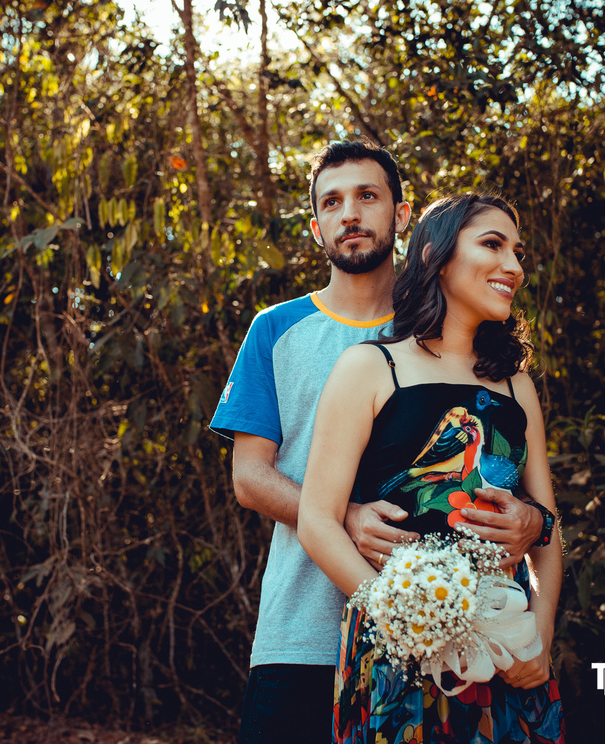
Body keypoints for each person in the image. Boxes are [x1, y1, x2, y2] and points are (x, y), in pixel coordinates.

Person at [210, 143, 548, 744]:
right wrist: (345, 513)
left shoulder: (447, 328)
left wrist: (535, 523)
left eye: (368, 196)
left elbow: (515, 484)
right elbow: (249, 478)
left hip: (464, 641)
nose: (350, 214)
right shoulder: (276, 329)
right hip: (304, 630)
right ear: (316, 227)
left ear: (402, 215)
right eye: (332, 203)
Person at [297, 193, 565, 743]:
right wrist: (405, 615)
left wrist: (538, 636)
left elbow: (547, 530)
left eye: (517, 253)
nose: (514, 267)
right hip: (399, 648)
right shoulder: (370, 367)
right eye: (493, 245)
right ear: (435, 257)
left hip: (508, 646)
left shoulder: (516, 385)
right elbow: (317, 521)